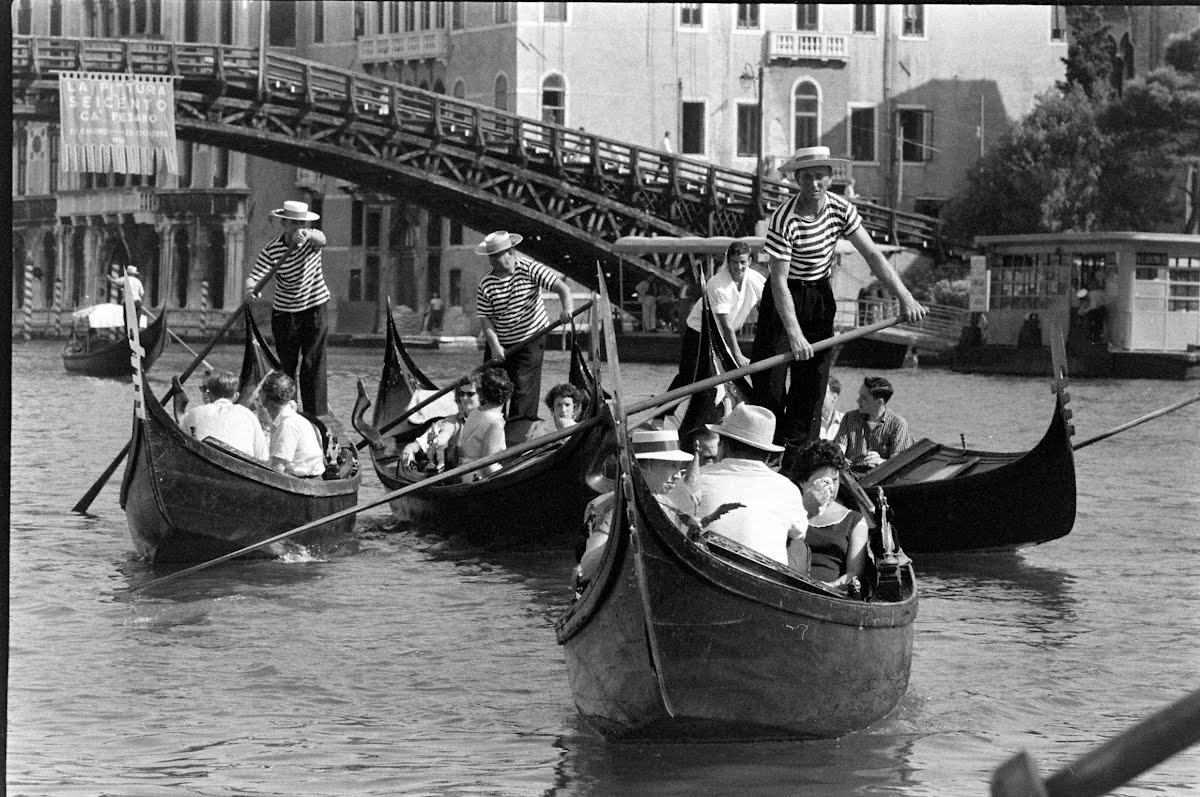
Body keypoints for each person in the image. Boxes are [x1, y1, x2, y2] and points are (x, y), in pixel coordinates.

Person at [750, 146, 927, 452]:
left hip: (819, 296)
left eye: (820, 176)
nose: (814, 184)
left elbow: (872, 255)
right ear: (796, 179)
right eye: (807, 177)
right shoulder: (783, 220)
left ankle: (797, 456)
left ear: (830, 178)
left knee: (812, 386)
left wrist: (905, 297)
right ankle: (765, 450)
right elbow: (779, 282)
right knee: (769, 385)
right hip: (783, 301)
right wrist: (794, 334)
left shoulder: (841, 209)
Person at [665, 404, 808, 568]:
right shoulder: (787, 489)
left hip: (704, 573)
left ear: (722, 446)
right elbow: (800, 531)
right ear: (768, 455)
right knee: (797, 545)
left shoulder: (689, 481)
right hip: (766, 584)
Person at [474, 230, 575, 425]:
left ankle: (517, 435)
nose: (492, 261)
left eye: (496, 256)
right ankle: (487, 428)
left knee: (523, 390)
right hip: (500, 341)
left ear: (510, 253)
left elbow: (562, 288)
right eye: (490, 256)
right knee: (490, 388)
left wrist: (567, 310)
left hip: (530, 339)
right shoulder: (486, 283)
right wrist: (495, 346)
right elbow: (485, 319)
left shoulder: (531, 269)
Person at [245, 200, 331, 417]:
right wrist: (250, 289)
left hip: (315, 307)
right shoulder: (272, 249)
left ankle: (314, 415)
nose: (297, 228)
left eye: (301, 223)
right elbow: (255, 276)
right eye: (293, 223)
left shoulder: (312, 240)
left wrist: (309, 235)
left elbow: (322, 238)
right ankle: (287, 412)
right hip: (285, 312)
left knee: (312, 362)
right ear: (284, 223)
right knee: (287, 366)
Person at [577, 428, 693, 583]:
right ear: (643, 466)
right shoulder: (614, 508)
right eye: (671, 466)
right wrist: (625, 530)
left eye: (680, 468)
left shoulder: (670, 507)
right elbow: (587, 568)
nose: (678, 475)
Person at [670, 241, 766, 390]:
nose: (738, 267)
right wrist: (737, 355)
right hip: (699, 332)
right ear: (728, 262)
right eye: (734, 262)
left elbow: (767, 305)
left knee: (716, 379)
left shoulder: (756, 279)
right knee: (689, 376)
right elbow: (725, 325)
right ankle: (662, 412)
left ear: (750, 261)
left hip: (722, 335)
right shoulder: (718, 284)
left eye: (742, 262)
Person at [790, 440, 870, 595]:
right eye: (824, 482)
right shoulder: (788, 511)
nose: (831, 488)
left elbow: (854, 572)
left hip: (831, 592)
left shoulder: (855, 520)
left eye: (835, 480)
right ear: (802, 482)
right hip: (789, 585)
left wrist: (830, 586)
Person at [179, 369, 269, 462]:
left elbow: (180, 445)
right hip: (240, 467)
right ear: (236, 396)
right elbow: (262, 457)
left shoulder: (194, 413)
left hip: (205, 464)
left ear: (209, 395)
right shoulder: (248, 414)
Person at [833, 376, 915, 472]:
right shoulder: (849, 417)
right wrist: (842, 460)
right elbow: (839, 450)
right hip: (850, 474)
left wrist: (881, 462)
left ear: (879, 402)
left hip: (881, 477)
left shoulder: (898, 424)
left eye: (863, 398)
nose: (858, 400)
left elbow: (898, 463)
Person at [400, 376, 480, 473]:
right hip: (450, 474)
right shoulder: (449, 422)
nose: (463, 398)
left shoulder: (490, 419)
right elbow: (441, 437)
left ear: (481, 396)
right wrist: (409, 449)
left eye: (470, 394)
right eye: (461, 395)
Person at [259, 371, 326, 478]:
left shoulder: (287, 424)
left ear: (263, 396)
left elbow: (277, 469)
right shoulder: (288, 419)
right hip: (305, 478)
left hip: (304, 482)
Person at [457, 367, 513, 482]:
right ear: (508, 394)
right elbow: (488, 465)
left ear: (482, 393)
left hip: (464, 472)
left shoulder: (476, 412)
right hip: (478, 477)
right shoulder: (495, 422)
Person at [819, 375, 844, 442]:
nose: (818, 397)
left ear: (834, 397)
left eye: (822, 393)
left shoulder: (846, 422)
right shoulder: (809, 423)